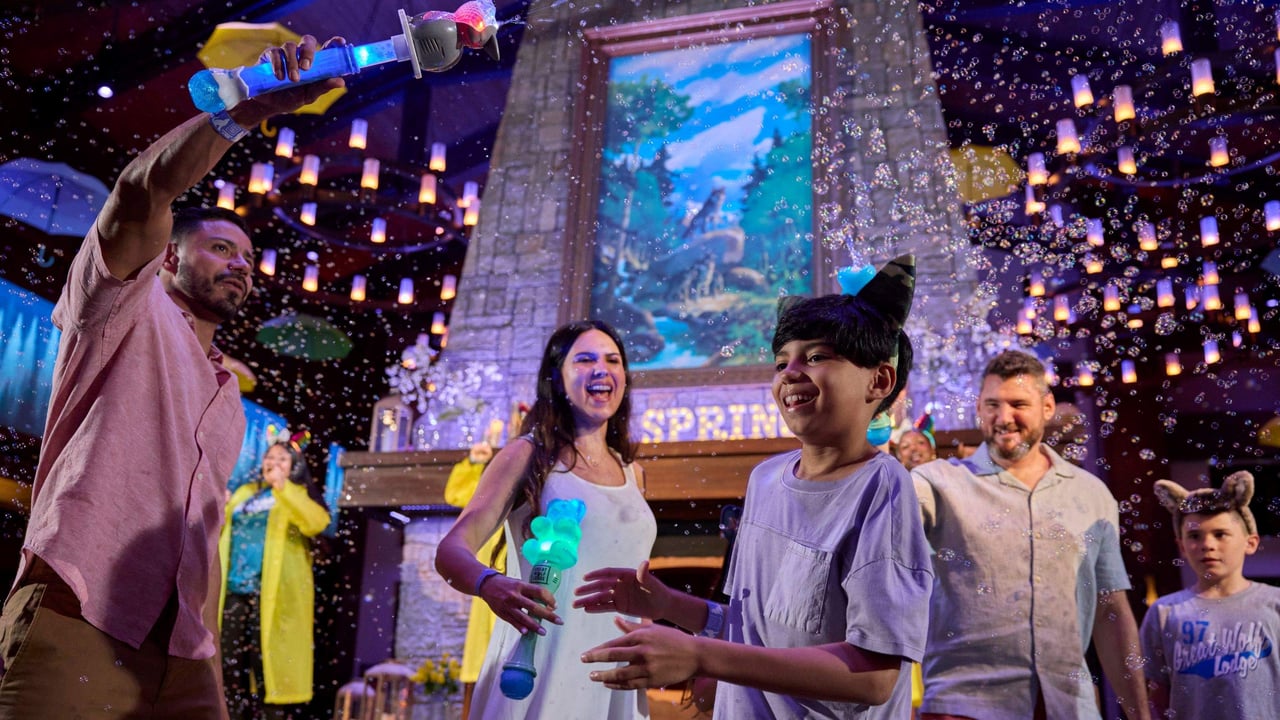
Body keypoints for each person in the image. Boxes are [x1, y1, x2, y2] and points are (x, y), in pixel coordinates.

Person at [0, 35, 345, 717]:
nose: (242, 264)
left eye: (249, 257)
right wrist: (245, 111)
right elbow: (141, 191)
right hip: (80, 606)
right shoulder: (123, 304)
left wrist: (204, 643)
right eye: (220, 247)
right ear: (165, 259)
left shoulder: (229, 396)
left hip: (186, 648)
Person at [580, 255, 935, 719]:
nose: (790, 373)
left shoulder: (883, 489)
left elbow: (874, 675)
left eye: (817, 357)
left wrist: (701, 657)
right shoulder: (765, 479)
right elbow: (753, 630)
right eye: (781, 361)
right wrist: (669, 605)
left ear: (880, 380)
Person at [435, 320, 657, 719]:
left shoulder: (633, 473)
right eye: (584, 359)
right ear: (556, 377)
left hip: (614, 671)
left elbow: (636, 579)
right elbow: (451, 550)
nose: (601, 370)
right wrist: (490, 583)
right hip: (540, 665)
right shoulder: (526, 455)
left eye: (613, 360)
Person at [911, 349, 1150, 720]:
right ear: (979, 408)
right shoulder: (937, 483)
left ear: (1048, 407)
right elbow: (886, 517)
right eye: (992, 404)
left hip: (1070, 707)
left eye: (1018, 403)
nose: (1004, 418)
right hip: (964, 707)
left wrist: (1140, 715)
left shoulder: (1091, 494)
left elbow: (1111, 612)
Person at [1141, 471, 1280, 718]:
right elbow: (1157, 695)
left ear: (1250, 542)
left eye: (1220, 534)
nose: (1207, 545)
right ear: (1182, 546)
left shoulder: (1275, 604)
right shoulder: (1164, 613)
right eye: (1195, 536)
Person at [219, 430, 330, 719]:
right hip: (234, 590)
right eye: (270, 457)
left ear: (295, 466)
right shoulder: (246, 492)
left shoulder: (296, 494)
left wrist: (284, 488)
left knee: (266, 666)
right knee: (229, 665)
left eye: (282, 459)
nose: (273, 462)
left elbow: (316, 522)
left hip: (274, 596)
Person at [442, 438, 503, 719]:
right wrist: (476, 463)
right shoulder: (497, 484)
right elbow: (456, 495)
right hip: (492, 580)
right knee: (485, 666)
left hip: (528, 577)